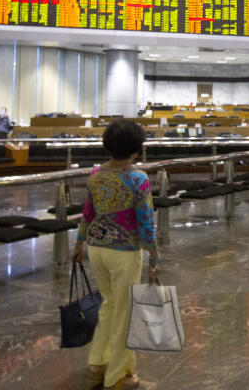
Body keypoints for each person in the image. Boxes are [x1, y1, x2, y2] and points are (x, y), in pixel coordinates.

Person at [73, 120, 159, 390]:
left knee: (109, 305)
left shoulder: (96, 175)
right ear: (137, 149)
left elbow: (88, 212)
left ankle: (97, 364)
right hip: (124, 252)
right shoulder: (138, 179)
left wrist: (78, 242)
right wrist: (154, 253)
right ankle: (117, 377)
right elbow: (145, 221)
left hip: (96, 248)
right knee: (125, 313)